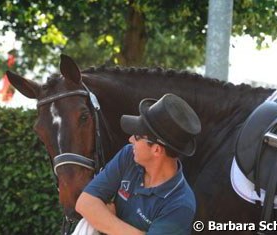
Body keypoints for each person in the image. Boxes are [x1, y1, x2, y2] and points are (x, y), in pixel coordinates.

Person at [75, 93, 201, 235]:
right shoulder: (129, 155)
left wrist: (108, 220)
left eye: (137, 136)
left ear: (156, 150)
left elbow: (94, 209)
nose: (130, 140)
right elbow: (85, 203)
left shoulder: (180, 205)